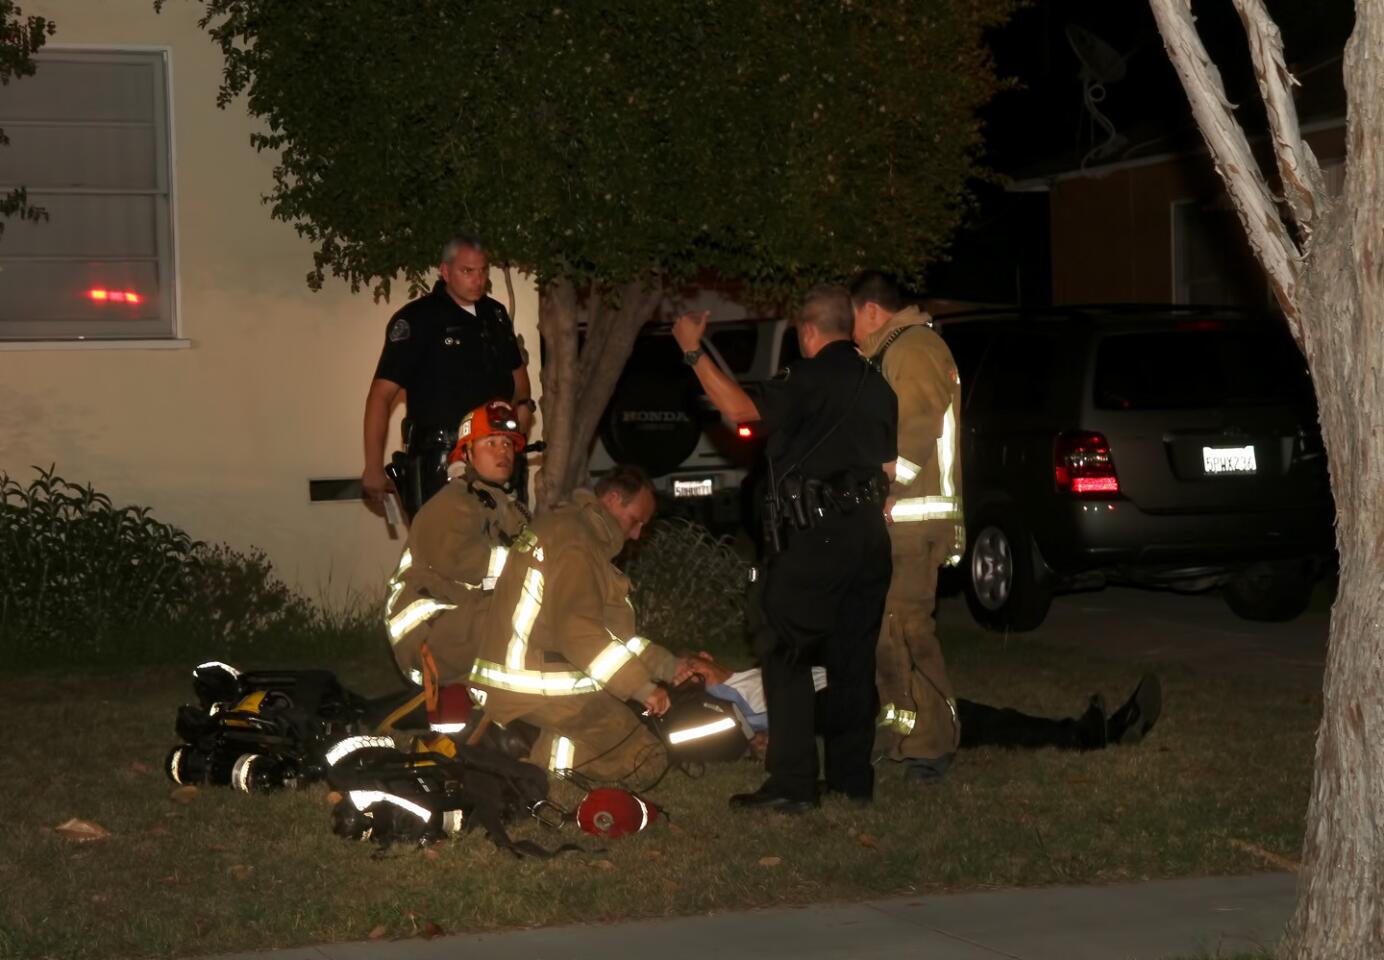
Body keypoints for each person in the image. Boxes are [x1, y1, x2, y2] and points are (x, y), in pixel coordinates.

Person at [673, 285, 897, 813]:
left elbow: (741, 410)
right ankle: (850, 780)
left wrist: (692, 351)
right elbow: (886, 467)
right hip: (868, 538)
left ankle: (793, 783)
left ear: (807, 331)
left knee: (786, 651)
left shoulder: (808, 376)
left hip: (814, 537)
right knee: (852, 661)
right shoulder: (880, 385)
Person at [466, 465, 696, 792]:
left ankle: (519, 734)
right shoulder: (575, 544)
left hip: (526, 680)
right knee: (645, 757)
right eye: (635, 521)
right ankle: (522, 745)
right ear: (613, 499)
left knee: (623, 732)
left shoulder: (573, 533)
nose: (636, 534)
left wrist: (668, 666)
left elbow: (614, 638)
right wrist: (642, 689)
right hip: (532, 688)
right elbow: (580, 634)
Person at [849, 270, 966, 786]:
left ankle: (932, 745)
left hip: (914, 522)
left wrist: (887, 491)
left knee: (909, 631)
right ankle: (901, 733)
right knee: (888, 633)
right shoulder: (894, 351)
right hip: (900, 521)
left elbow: (915, 429)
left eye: (851, 319)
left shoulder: (913, 350)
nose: (850, 332)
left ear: (871, 311)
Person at [362, 234, 536, 519]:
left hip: (497, 457)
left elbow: (519, 378)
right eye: (467, 271)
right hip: (440, 459)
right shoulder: (418, 319)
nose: (477, 279)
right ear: (445, 271)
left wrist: (523, 411)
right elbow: (381, 396)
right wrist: (372, 465)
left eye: (483, 271)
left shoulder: (495, 315)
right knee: (444, 550)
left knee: (506, 546)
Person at [381, 400, 531, 731]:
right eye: (490, 443)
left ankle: (502, 715)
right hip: (427, 634)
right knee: (522, 616)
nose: (502, 451)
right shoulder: (452, 504)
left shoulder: (504, 507)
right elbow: (464, 562)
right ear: (466, 454)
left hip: (458, 622)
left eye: (507, 443)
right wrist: (533, 564)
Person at [683, 653, 1163, 753]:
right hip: (873, 707)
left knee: (970, 716)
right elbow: (758, 733)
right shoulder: (740, 699)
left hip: (870, 684)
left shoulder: (746, 677)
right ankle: (1087, 735)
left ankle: (1086, 732)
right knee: (970, 720)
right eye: (694, 663)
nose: (700, 655)